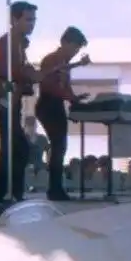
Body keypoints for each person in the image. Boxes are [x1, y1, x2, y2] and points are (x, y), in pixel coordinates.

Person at [0, 1, 42, 203]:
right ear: (14, 19)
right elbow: (7, 71)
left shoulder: (19, 44)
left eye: (34, 20)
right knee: (15, 147)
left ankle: (6, 194)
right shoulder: (8, 43)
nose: (32, 24)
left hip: (12, 102)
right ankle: (5, 194)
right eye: (28, 19)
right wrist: (28, 75)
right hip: (4, 101)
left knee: (13, 148)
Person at [35, 26, 90, 201]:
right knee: (58, 146)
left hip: (56, 105)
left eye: (78, 49)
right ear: (65, 43)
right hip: (48, 104)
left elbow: (65, 88)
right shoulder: (52, 60)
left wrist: (75, 99)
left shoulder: (64, 64)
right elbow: (50, 87)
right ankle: (54, 189)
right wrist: (70, 97)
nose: (75, 52)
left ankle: (56, 187)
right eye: (74, 47)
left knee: (60, 146)